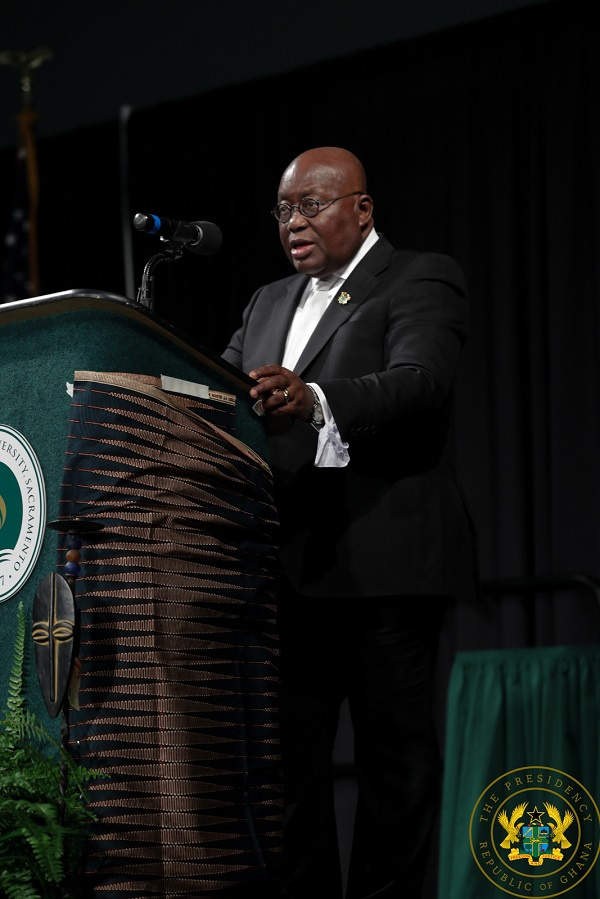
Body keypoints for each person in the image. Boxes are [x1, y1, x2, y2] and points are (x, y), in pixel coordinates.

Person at [221, 146, 478, 899]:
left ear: (362, 209)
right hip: (290, 572)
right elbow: (224, 388)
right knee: (286, 776)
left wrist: (317, 399)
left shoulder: (420, 276)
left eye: (311, 204)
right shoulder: (268, 301)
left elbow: (418, 384)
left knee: (394, 773)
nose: (292, 222)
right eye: (282, 210)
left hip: (385, 568)